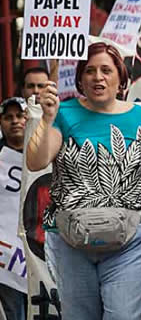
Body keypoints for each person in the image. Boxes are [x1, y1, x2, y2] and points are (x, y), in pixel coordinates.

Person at [26, 42, 141, 320]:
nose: (98, 77)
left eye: (106, 70)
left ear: (120, 78)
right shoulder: (63, 113)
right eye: (90, 71)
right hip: (70, 242)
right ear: (80, 79)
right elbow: (36, 161)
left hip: (129, 241)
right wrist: (46, 119)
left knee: (122, 315)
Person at [0, 97, 28, 320]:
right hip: (6, 252)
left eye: (19, 115)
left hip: (39, 248)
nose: (15, 121)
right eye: (8, 117)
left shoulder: (45, 154)